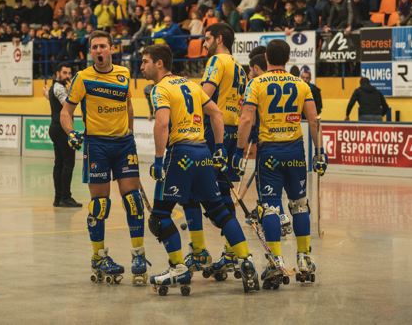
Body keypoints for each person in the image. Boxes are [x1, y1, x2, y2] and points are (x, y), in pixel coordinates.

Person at [140, 44, 260, 293]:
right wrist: (219, 147)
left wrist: (159, 160)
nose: (141, 67)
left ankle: (178, 268)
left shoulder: (160, 89)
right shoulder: (191, 85)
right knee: (220, 212)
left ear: (159, 63)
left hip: (180, 154)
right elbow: (216, 113)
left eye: (145, 61)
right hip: (203, 153)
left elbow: (162, 124)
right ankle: (246, 261)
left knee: (159, 217)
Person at [233, 39, 326, 287]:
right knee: (299, 204)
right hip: (295, 150)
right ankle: (304, 259)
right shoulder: (301, 84)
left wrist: (239, 152)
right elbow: (314, 120)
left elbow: (246, 119)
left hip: (270, 152)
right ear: (287, 58)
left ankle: (275, 261)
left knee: (271, 207)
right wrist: (320, 152)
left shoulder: (256, 84)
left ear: (266, 59)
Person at [60, 31, 149, 286]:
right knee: (100, 205)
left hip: (123, 144)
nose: (98, 51)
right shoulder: (82, 78)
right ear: (91, 52)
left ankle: (138, 255)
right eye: (94, 47)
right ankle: (98, 257)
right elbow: (66, 112)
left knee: (133, 201)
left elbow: (128, 106)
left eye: (102, 46)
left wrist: (130, 133)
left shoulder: (124, 73)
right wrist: (71, 132)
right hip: (97, 145)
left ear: (112, 48)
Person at [43, 63, 81, 208]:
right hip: (62, 129)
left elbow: (54, 98)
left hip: (55, 127)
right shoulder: (60, 88)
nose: (67, 76)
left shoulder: (56, 87)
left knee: (59, 163)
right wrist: (74, 92)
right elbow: (68, 105)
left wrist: (47, 95)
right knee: (68, 163)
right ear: (58, 73)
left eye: (69, 73)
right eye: (64, 73)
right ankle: (66, 197)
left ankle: (58, 198)